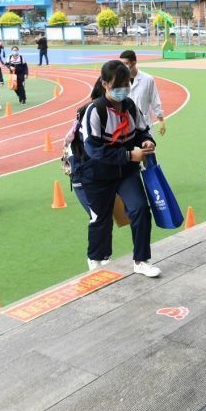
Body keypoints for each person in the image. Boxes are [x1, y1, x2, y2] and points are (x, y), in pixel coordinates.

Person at [80, 60, 160, 277]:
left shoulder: (130, 106)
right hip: (97, 174)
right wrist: (127, 155)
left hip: (126, 171)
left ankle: (141, 260)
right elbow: (93, 150)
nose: (123, 88)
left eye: (127, 83)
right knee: (101, 218)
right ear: (105, 84)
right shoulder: (94, 111)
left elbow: (142, 130)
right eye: (118, 84)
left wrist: (147, 142)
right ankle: (97, 259)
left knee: (140, 209)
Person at [65, 81, 108, 214]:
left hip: (90, 168)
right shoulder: (92, 111)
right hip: (82, 170)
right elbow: (92, 147)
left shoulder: (111, 109)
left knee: (102, 217)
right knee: (98, 218)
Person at [119, 50, 166, 136]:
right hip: (125, 125)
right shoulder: (118, 81)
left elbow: (154, 100)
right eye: (121, 64)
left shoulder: (148, 79)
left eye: (126, 63)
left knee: (148, 147)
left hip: (145, 124)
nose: (123, 67)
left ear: (134, 62)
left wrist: (161, 120)